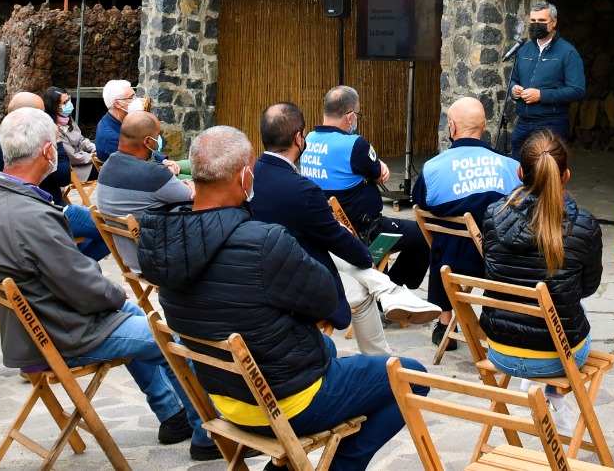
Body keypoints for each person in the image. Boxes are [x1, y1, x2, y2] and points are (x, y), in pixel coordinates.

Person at [142, 126, 425, 471]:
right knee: (412, 375)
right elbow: (326, 303)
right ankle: (342, 466)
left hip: (222, 396)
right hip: (283, 402)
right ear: (246, 177)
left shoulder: (164, 240)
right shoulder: (262, 243)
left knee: (331, 349)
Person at [0, 107, 207, 452]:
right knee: (178, 339)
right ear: (48, 152)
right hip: (63, 333)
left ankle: (172, 415)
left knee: (136, 319)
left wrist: (113, 301)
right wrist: (115, 295)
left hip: (34, 328)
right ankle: (207, 434)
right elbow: (83, 285)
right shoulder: (32, 216)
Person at [254, 102, 440, 355]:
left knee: (335, 246)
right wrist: (367, 257)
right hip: (299, 272)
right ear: (299, 139)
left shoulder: (253, 174)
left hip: (280, 256)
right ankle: (383, 351)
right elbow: (338, 239)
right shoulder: (302, 189)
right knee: (360, 286)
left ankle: (389, 291)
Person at [480, 130, 602, 427]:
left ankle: (536, 385)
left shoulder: (493, 215)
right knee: (575, 308)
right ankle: (551, 393)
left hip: (501, 350)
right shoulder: (583, 224)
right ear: (566, 176)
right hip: (555, 357)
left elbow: (492, 267)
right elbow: (588, 287)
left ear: (520, 172)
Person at [412, 96, 522, 345]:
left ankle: (444, 323)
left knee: (441, 237)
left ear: (452, 127)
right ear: (484, 128)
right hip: (499, 261)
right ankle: (497, 317)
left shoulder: (432, 169)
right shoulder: (512, 167)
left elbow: (421, 204)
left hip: (453, 262)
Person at [299, 85, 429, 292]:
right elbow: (379, 176)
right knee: (424, 235)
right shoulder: (354, 144)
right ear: (350, 116)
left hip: (327, 225)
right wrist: (381, 166)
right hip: (364, 229)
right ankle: (392, 289)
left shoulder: (308, 142)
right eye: (358, 114)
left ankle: (383, 285)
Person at [0, 91, 108, 262]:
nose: (47, 119)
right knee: (111, 227)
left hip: (19, 211)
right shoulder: (30, 147)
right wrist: (56, 141)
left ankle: (75, 264)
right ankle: (76, 266)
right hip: (46, 212)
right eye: (42, 114)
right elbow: (63, 176)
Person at [95, 111, 192, 270]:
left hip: (129, 258)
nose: (160, 139)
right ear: (147, 141)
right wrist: (190, 183)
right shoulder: (154, 174)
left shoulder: (107, 166)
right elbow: (195, 196)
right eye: (158, 135)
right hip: (157, 262)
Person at [506, 1, 585, 160]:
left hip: (551, 123)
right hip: (523, 123)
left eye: (541, 21)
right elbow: (513, 80)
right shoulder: (524, 49)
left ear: (554, 22)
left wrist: (542, 95)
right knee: (517, 171)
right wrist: (514, 90)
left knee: (547, 174)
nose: (536, 25)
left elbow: (577, 90)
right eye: (533, 21)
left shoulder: (568, 52)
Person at [44, 86, 96, 181]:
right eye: (65, 102)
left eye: (69, 99)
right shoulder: (54, 128)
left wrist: (92, 148)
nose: (69, 104)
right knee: (108, 168)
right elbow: (72, 157)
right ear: (55, 107)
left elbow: (80, 139)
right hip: (77, 169)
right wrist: (92, 157)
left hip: (84, 160)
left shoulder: (66, 118)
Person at [94, 79, 135, 163]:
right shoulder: (111, 137)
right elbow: (136, 162)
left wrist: (162, 160)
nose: (136, 100)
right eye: (132, 97)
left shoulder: (120, 121)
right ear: (118, 104)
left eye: (135, 95)